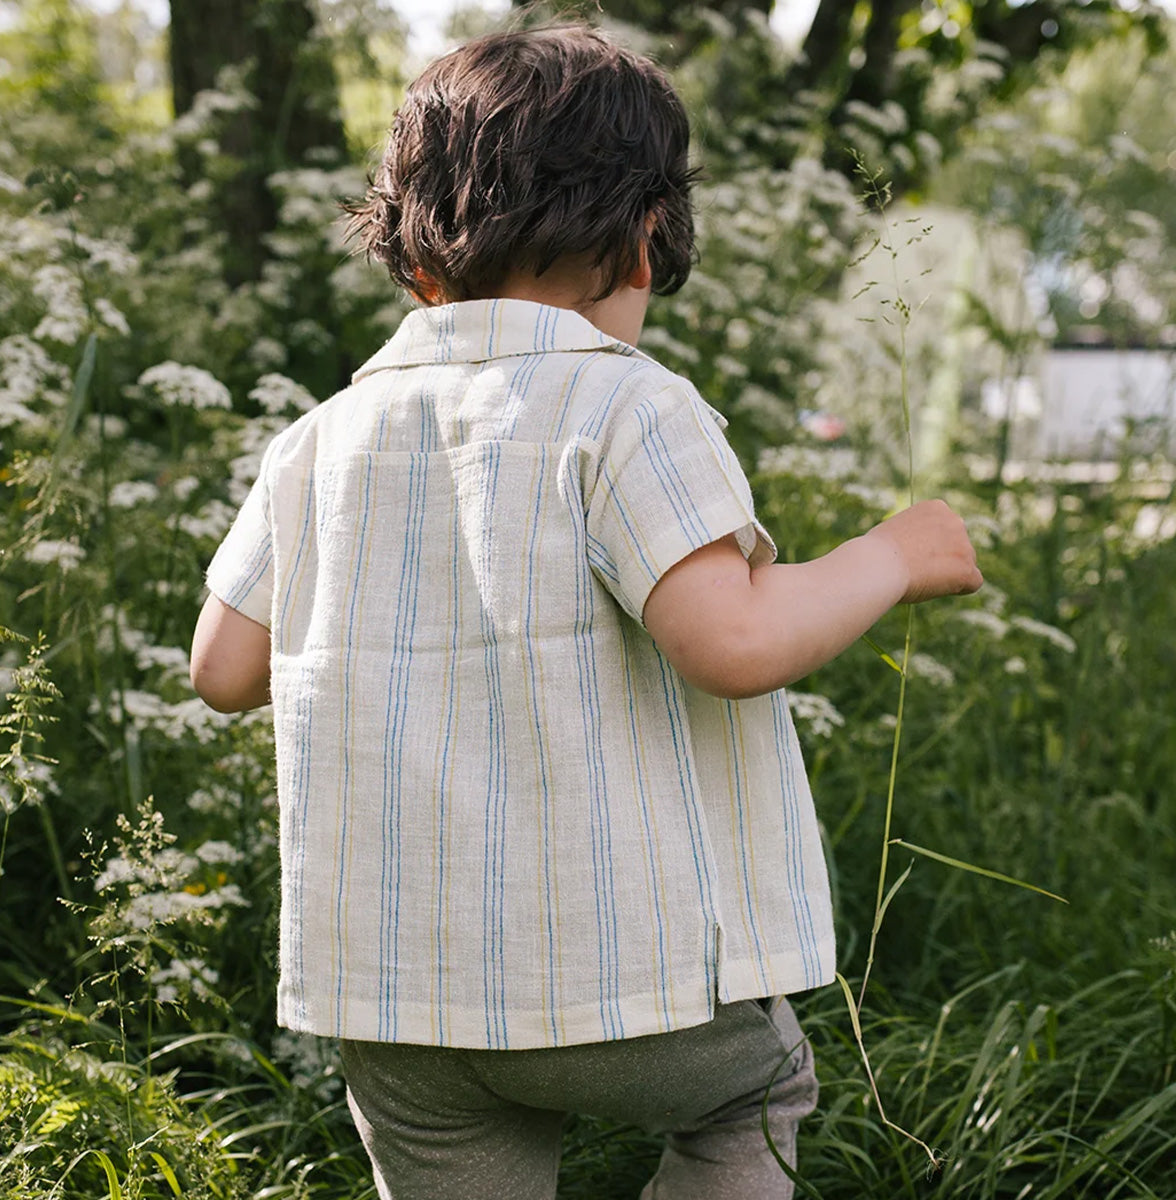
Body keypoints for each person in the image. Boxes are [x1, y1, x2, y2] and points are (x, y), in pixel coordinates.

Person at [190, 23, 982, 1200]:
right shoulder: (627, 407)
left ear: (412, 260)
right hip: (627, 979)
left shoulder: (317, 441)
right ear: (649, 242)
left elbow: (222, 668)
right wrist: (893, 555)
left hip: (397, 1001)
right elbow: (738, 638)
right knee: (749, 1102)